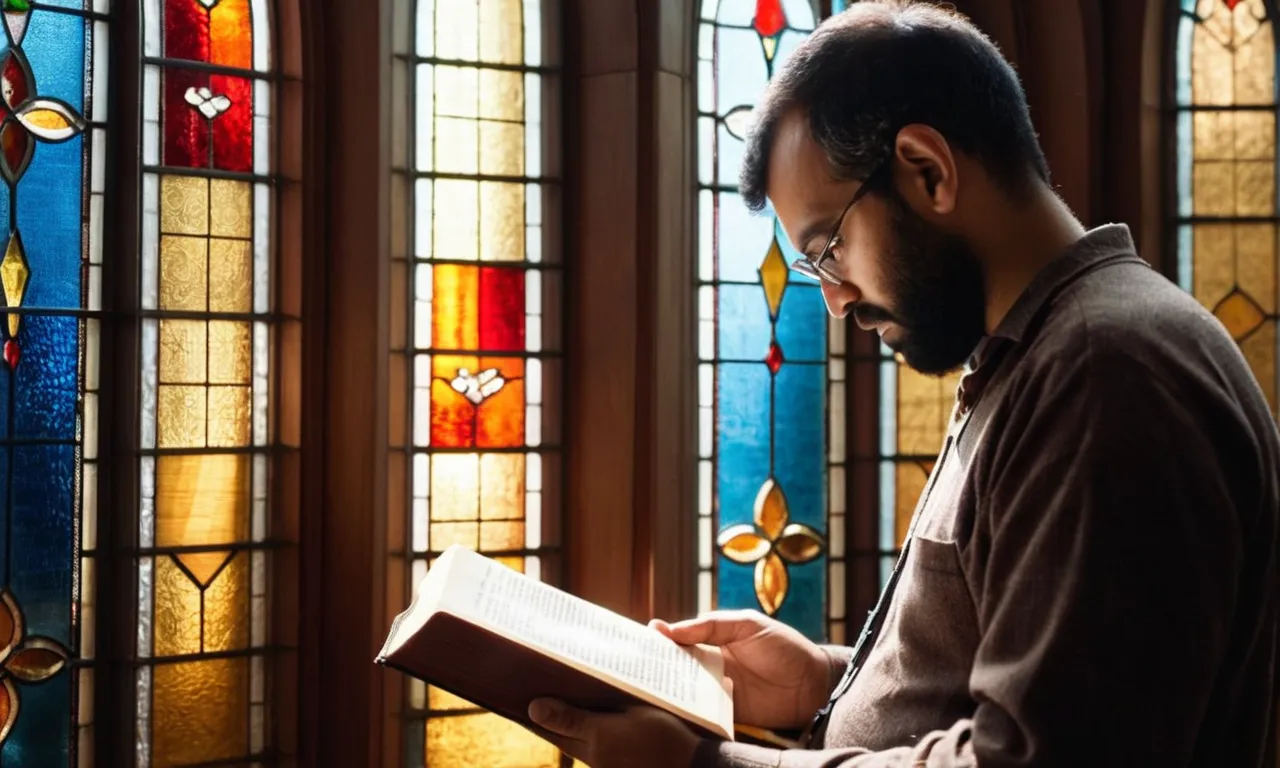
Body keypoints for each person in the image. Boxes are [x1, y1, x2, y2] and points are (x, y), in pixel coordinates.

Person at [527, 1, 1280, 765]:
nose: (836, 299)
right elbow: (1010, 671)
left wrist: (698, 766)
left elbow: (1037, 756)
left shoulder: (1105, 372)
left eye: (831, 247)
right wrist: (824, 683)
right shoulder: (1042, 354)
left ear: (928, 170)